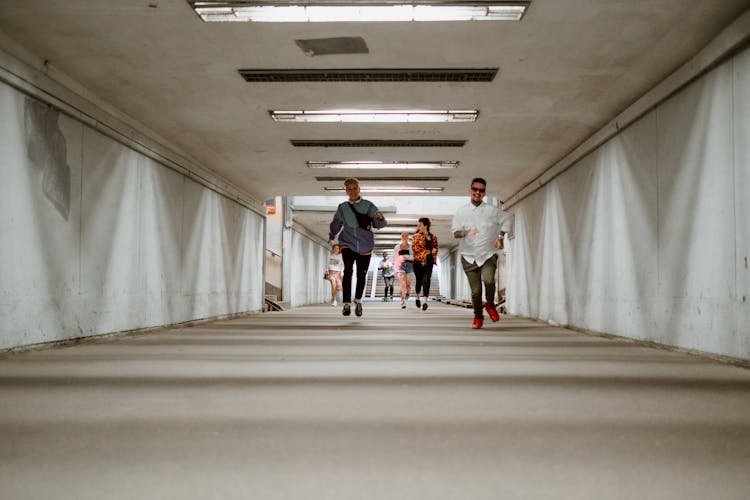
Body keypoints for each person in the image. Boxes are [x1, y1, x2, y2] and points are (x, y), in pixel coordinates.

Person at [451, 177, 513, 329]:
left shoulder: (492, 211)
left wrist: (500, 237)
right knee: (476, 291)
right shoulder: (462, 211)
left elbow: (508, 219)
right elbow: (455, 233)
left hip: (487, 255)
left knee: (489, 281)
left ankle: (490, 305)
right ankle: (478, 316)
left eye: (481, 190)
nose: (478, 192)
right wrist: (466, 233)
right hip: (468, 257)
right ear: (470, 190)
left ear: (484, 193)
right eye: (475, 189)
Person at [328, 178, 387, 317]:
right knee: (348, 271)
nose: (352, 191)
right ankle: (347, 303)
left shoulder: (368, 205)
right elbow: (336, 223)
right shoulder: (342, 207)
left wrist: (379, 218)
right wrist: (332, 235)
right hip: (347, 243)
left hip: (365, 245)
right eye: (349, 189)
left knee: (362, 274)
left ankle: (358, 301)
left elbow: (380, 225)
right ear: (346, 191)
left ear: (359, 189)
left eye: (355, 188)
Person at [411, 217, 438, 311]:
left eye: (420, 225)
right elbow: (415, 249)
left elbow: (436, 247)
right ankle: (418, 297)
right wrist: (425, 252)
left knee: (427, 280)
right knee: (419, 281)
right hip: (418, 262)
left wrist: (433, 251)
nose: (418, 226)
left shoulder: (433, 236)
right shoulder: (416, 236)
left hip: (429, 261)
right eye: (418, 225)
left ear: (425, 226)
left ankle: (425, 301)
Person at [391, 232, 414, 309]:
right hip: (400, 266)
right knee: (402, 284)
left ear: (408, 237)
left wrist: (407, 257)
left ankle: (407, 293)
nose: (404, 237)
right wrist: (390, 263)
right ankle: (403, 301)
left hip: (410, 265)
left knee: (408, 285)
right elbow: (393, 256)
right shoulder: (397, 247)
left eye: (406, 236)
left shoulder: (411, 246)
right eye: (403, 236)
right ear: (401, 237)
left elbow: (414, 256)